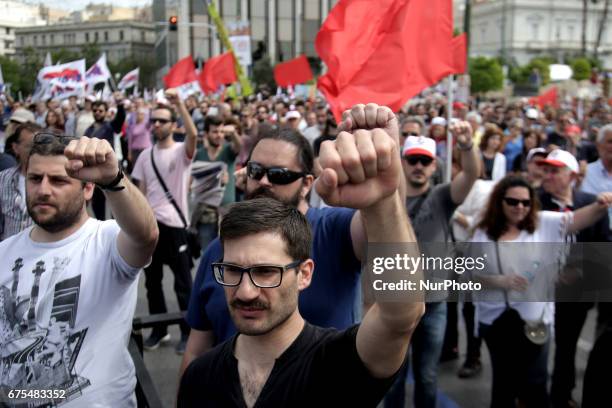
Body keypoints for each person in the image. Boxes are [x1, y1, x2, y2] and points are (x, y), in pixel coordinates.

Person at [178, 119, 425, 406]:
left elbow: (402, 309)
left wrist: (381, 200)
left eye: (267, 272)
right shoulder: (202, 375)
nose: (246, 291)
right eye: (232, 270)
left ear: (305, 273)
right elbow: (196, 346)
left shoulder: (337, 363)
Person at [0, 133, 158, 406]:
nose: (44, 190)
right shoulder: (4, 252)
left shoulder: (107, 240)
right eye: (35, 179)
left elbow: (146, 236)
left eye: (59, 180)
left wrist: (113, 179)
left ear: (87, 189)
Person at [471, 175, 612, 408]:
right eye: (512, 202)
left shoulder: (542, 223)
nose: (520, 208)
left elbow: (578, 219)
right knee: (504, 386)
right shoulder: (483, 233)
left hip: (535, 323)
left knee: (535, 385)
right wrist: (501, 281)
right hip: (496, 321)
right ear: (499, 202)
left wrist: (600, 205)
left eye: (525, 203)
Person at [386, 124, 480, 408]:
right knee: (394, 377)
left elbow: (472, 173)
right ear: (402, 162)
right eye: (412, 159)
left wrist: (466, 145)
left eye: (425, 160)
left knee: (426, 376)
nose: (418, 166)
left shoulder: (442, 197)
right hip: (393, 301)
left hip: (434, 304)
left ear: (433, 164)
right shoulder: (387, 197)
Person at [536, 149, 611, 408]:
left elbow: (604, 246)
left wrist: (580, 270)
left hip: (575, 294)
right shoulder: (531, 202)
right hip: (538, 291)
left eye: (555, 171)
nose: (548, 175)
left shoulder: (592, 203)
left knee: (566, 348)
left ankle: (561, 394)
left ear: (572, 176)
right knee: (534, 348)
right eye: (545, 169)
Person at [131, 89, 197, 354]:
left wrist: (180, 104)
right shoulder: (145, 156)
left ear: (173, 125)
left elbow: (193, 135)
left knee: (183, 284)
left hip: (176, 227)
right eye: (153, 121)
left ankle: (187, 332)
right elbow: (141, 192)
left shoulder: (182, 151)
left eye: (161, 120)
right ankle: (159, 331)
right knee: (152, 283)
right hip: (152, 228)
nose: (156, 124)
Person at [84, 95, 127, 220]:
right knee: (98, 204)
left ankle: (117, 227)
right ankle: (101, 226)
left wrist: (120, 105)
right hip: (95, 172)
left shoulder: (110, 126)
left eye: (100, 111)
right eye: (95, 110)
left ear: (106, 112)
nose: (97, 113)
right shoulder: (89, 129)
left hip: (110, 171)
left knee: (115, 202)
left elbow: (120, 118)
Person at [0, 123, 42, 241]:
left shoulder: (53, 181)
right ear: (15, 148)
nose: (36, 151)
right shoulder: (3, 178)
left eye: (40, 146)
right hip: (8, 254)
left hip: (40, 254)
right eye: (30, 146)